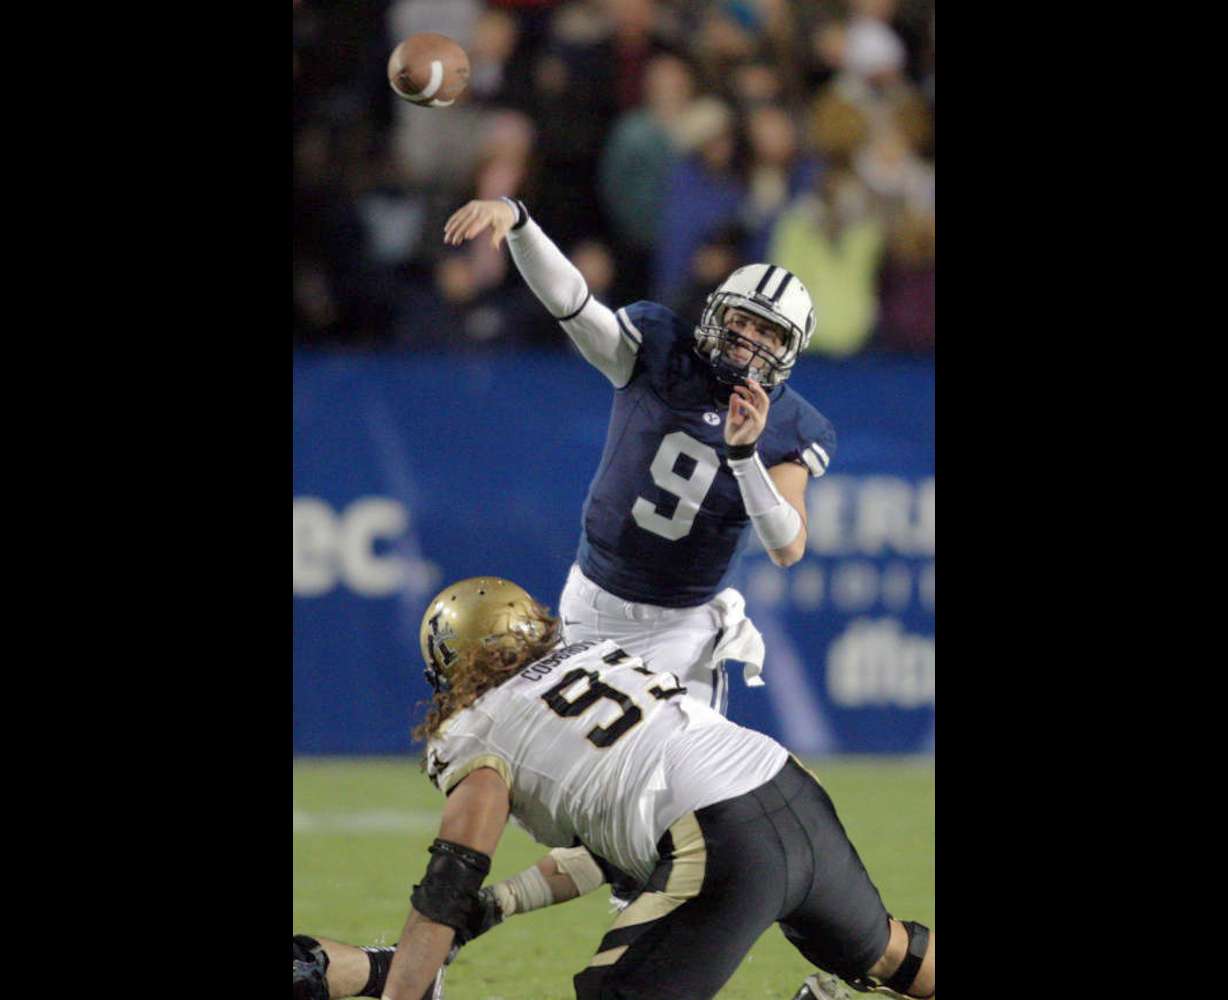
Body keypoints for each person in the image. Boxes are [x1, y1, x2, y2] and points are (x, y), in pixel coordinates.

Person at [293, 577, 935, 1000]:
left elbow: (449, 881)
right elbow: (619, 831)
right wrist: (503, 904)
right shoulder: (594, 656)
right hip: (786, 787)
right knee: (889, 953)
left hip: (721, 835)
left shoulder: (478, 728)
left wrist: (411, 981)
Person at [442, 194, 836, 716]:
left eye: (769, 332)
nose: (748, 340)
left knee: (680, 789)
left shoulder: (790, 424)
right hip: (593, 601)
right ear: (719, 313)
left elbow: (788, 546)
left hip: (683, 630)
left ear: (789, 350)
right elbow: (574, 305)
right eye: (743, 320)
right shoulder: (659, 351)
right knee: (576, 777)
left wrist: (744, 457)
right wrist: (520, 223)